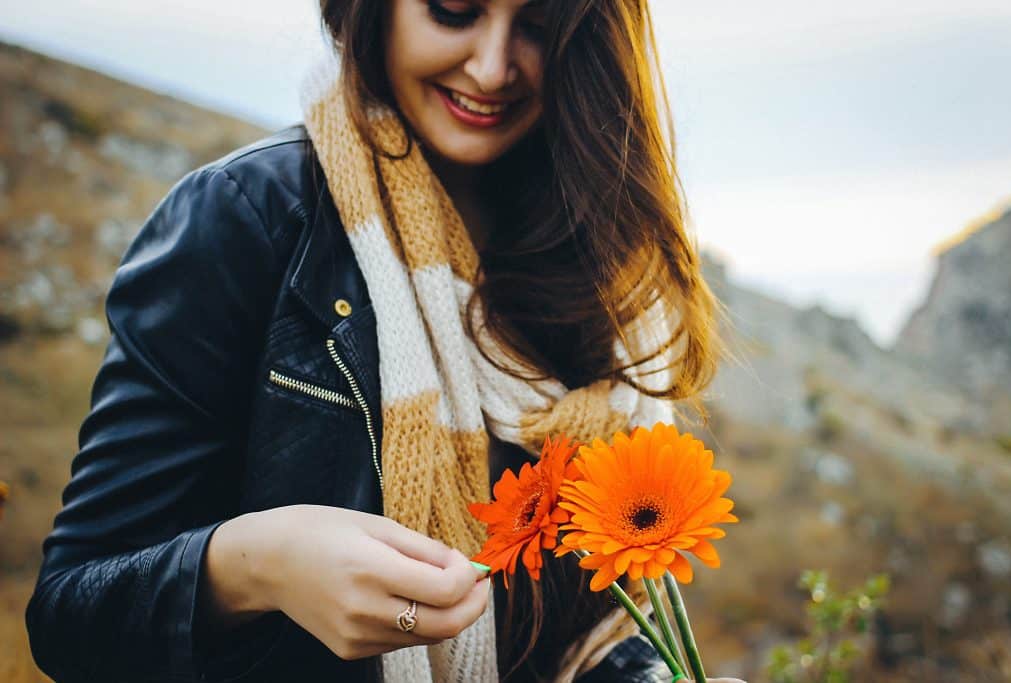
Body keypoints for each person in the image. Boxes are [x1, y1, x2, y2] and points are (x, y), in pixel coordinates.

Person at [25, 1, 746, 682]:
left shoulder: (600, 261)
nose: (493, 68)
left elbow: (592, 633)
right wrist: (261, 565)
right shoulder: (249, 219)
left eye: (540, 23)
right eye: (454, 11)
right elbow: (70, 616)